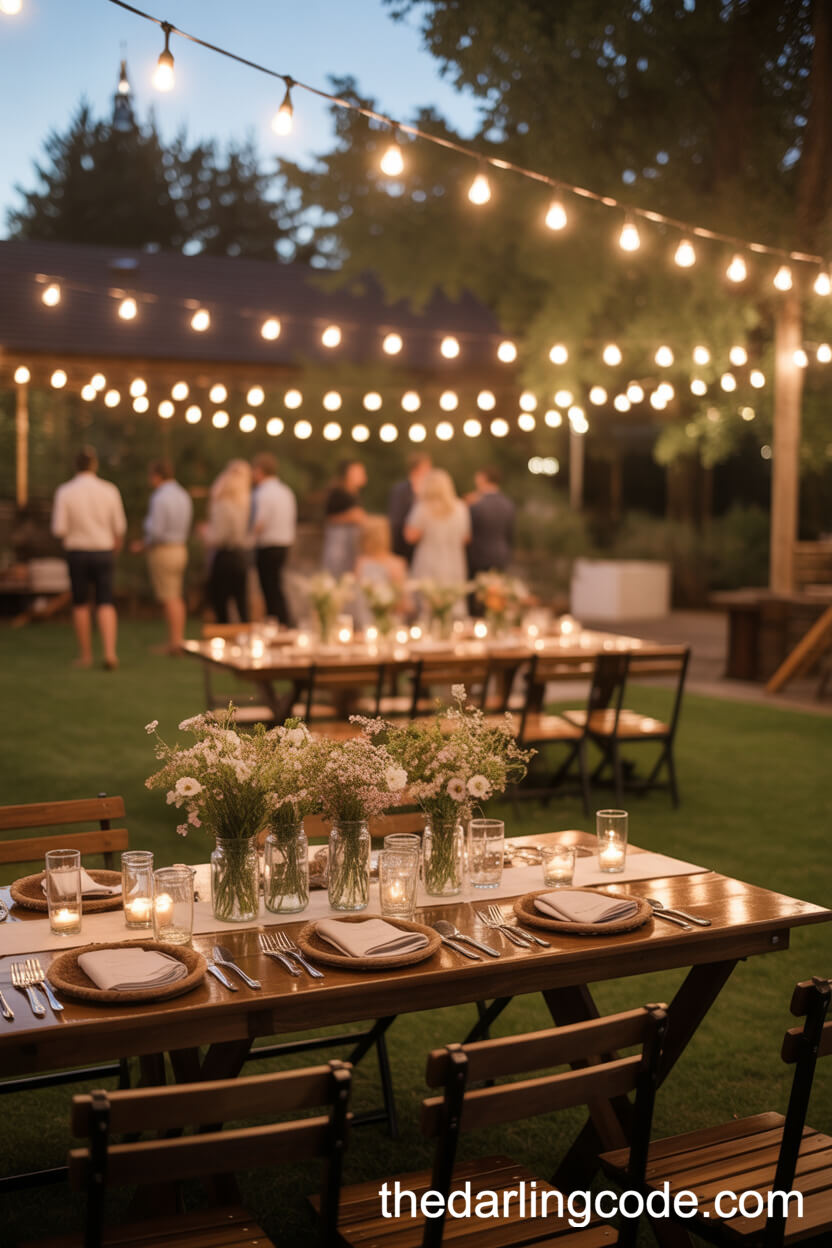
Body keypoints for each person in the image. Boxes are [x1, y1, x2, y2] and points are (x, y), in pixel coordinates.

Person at [51, 445, 127, 669]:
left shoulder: (65, 491)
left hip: (78, 552)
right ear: (94, 465)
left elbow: (59, 529)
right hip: (104, 551)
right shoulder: (109, 490)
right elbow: (119, 527)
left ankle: (86, 655)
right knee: (105, 602)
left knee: (81, 603)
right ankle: (110, 653)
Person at [131, 459, 192, 655]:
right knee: (175, 595)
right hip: (180, 548)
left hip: (164, 550)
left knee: (169, 597)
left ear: (156, 476)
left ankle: (175, 643)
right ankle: (177, 639)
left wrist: (143, 545)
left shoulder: (160, 498)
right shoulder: (183, 494)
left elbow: (156, 531)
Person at [404, 468, 470, 587]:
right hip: (454, 561)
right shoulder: (461, 508)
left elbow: (410, 536)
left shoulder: (422, 508)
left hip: (428, 561)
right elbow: (465, 538)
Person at [251, 452, 296, 625]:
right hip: (284, 544)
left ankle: (279, 623)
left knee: (270, 588)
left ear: (260, 471)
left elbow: (259, 523)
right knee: (276, 586)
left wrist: (247, 537)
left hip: (268, 546)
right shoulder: (285, 491)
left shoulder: (262, 493)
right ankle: (281, 622)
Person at [204, 460, 251, 624]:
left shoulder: (222, 505)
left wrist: (205, 535)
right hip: (241, 557)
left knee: (221, 604)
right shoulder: (245, 504)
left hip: (225, 557)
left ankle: (223, 640)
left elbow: (219, 537)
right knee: (241, 604)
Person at [355, 515, 407, 628]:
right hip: (388, 625)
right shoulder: (396, 564)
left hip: (365, 625)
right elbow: (402, 604)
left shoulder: (360, 563)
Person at [467, 466, 516, 575]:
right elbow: (510, 534)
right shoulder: (508, 504)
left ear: (483, 478)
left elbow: (468, 532)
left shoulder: (475, 503)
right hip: (501, 556)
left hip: (477, 558)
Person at [322, 459, 367, 577]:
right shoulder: (338, 492)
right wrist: (351, 516)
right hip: (339, 539)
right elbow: (329, 517)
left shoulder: (354, 493)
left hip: (351, 540)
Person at [388, 453, 432, 562]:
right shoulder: (400, 490)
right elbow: (396, 519)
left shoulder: (430, 491)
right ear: (417, 469)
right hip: (403, 545)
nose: (430, 471)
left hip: (424, 544)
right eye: (427, 467)